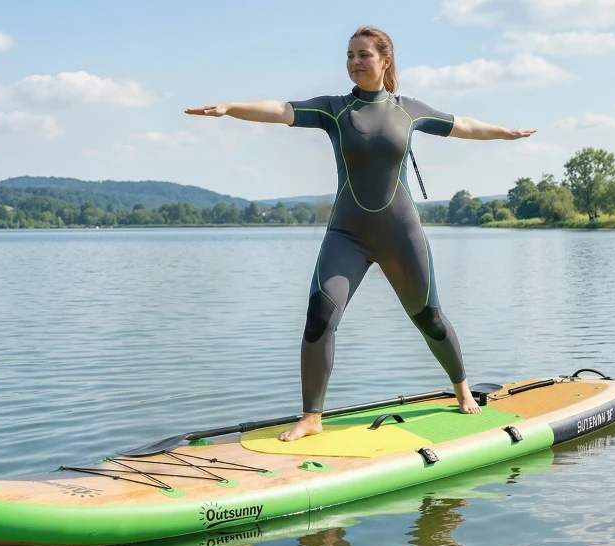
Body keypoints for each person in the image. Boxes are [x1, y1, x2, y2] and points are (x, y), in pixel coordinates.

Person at [186, 26, 536, 441]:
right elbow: (280, 110)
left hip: (400, 234)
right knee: (319, 318)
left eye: (363, 55)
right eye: (349, 55)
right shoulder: (335, 109)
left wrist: (506, 132)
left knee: (429, 317)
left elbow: (464, 125)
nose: (354, 62)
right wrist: (230, 107)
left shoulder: (409, 110)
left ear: (384, 61)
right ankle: (312, 417)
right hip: (347, 235)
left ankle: (462, 388)